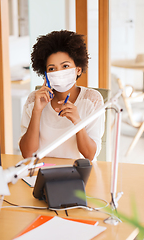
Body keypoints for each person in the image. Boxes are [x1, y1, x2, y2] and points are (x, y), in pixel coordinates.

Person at [19, 30, 105, 161]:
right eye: (52, 69)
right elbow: (27, 154)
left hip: (78, 174)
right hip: (42, 173)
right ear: (46, 74)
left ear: (78, 69)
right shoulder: (34, 100)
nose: (59, 72)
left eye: (65, 66)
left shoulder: (92, 100)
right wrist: (37, 111)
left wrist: (77, 121)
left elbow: (90, 155)